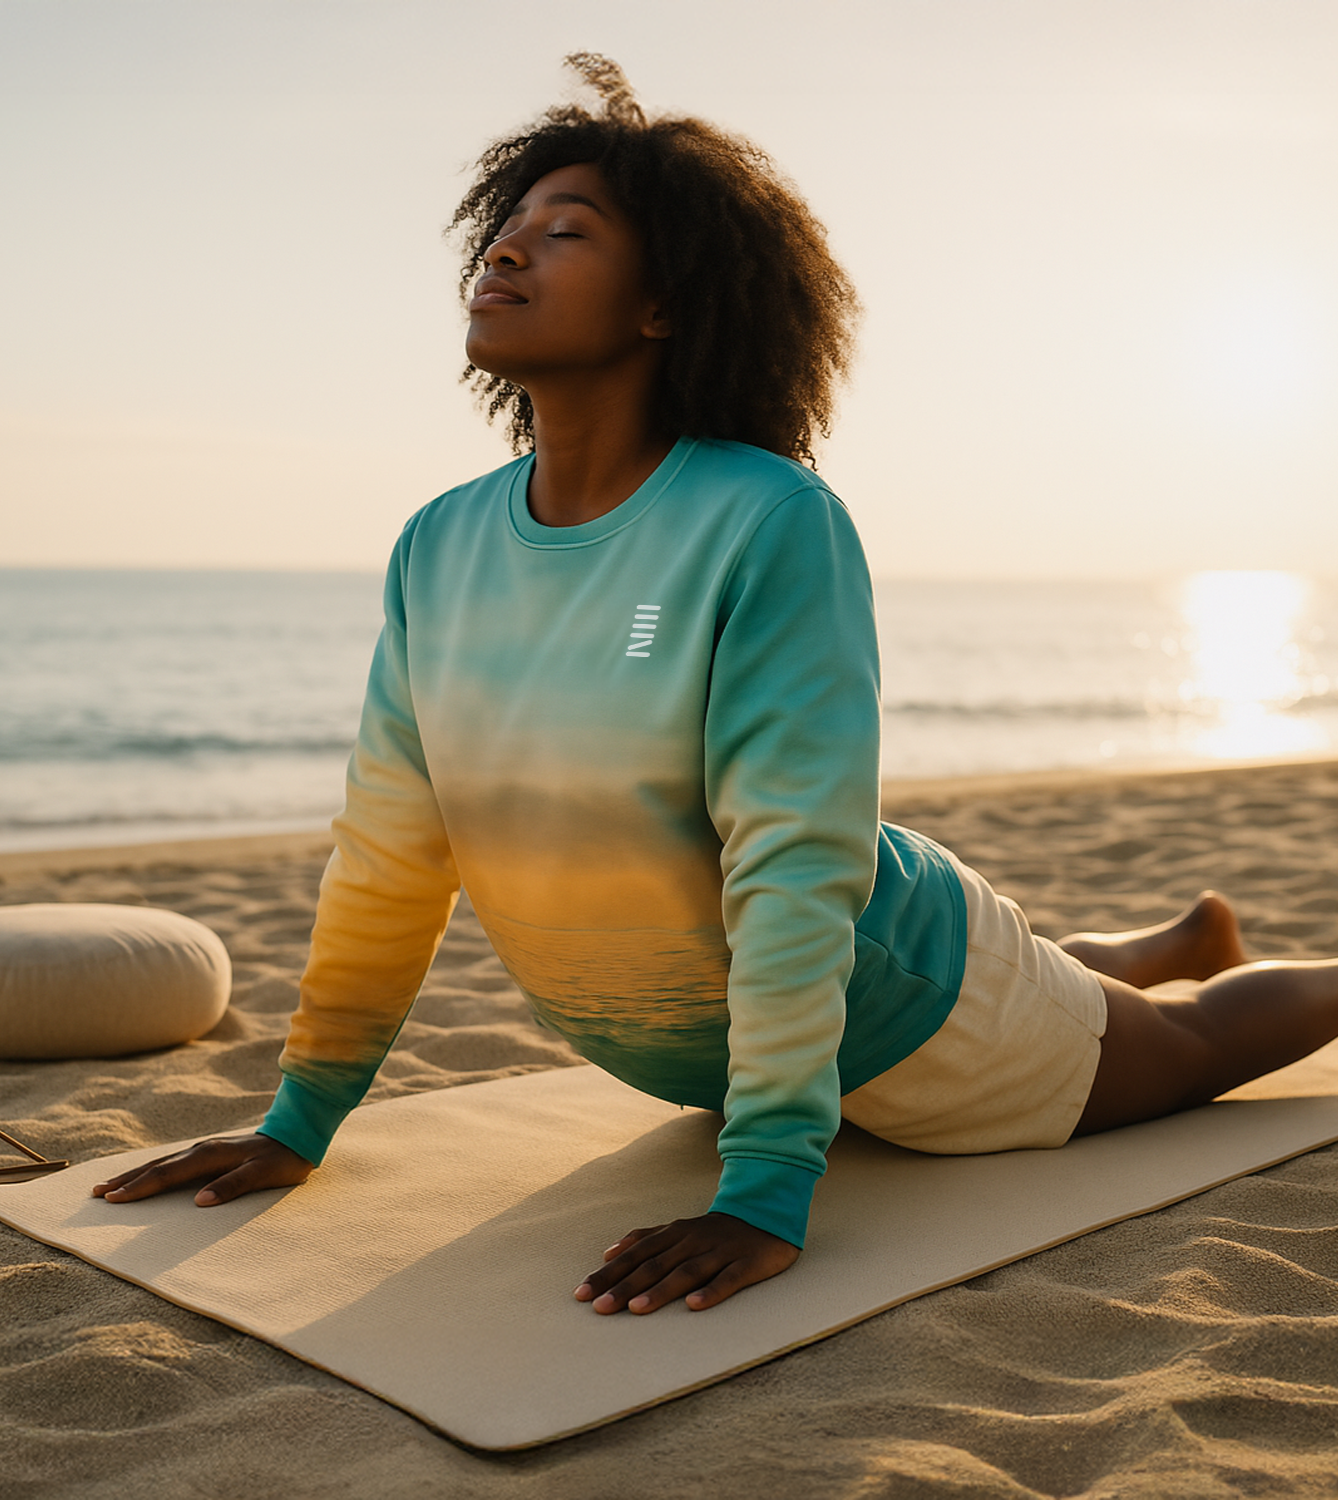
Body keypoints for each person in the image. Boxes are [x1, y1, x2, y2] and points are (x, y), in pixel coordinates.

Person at [95, 56, 1338, 1317]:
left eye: (563, 233)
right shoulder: (439, 542)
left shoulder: (766, 519)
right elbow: (390, 853)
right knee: (1063, 993)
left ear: (665, 307)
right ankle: (1161, 943)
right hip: (740, 1036)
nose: (508, 254)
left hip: (906, 1014)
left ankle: (1209, 970)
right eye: (506, 229)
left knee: (1191, 1052)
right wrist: (299, 1120)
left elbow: (794, 864)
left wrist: (765, 1188)